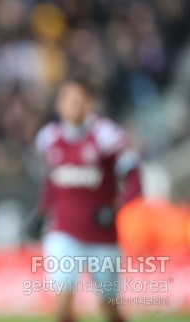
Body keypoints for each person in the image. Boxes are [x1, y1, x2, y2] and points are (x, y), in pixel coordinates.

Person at [27, 78, 143, 322]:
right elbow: (52, 181)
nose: (74, 105)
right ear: (59, 105)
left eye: (79, 99)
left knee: (110, 310)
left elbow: (135, 182)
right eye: (68, 99)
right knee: (62, 307)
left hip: (102, 236)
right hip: (63, 232)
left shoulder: (108, 136)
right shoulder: (48, 138)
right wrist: (41, 213)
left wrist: (116, 208)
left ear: (89, 103)